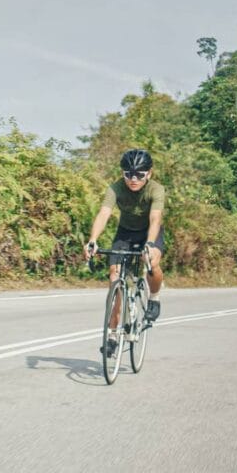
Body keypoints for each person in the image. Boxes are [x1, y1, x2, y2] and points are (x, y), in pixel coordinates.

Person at [85, 149, 165, 353]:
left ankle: (154, 298)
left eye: (139, 174)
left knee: (152, 263)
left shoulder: (156, 190)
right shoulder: (115, 188)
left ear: (149, 173)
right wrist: (93, 240)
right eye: (128, 174)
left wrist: (150, 244)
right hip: (126, 233)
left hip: (149, 231)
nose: (133, 179)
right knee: (115, 278)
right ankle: (112, 334)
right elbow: (104, 213)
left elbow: (155, 219)